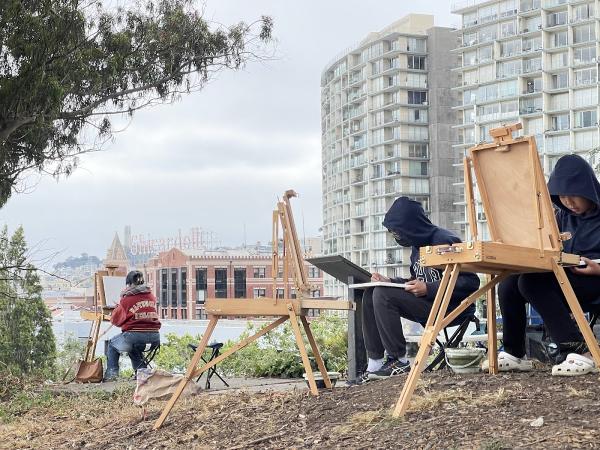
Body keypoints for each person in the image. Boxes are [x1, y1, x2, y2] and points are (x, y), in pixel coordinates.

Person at [497, 154, 600, 376]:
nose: (569, 203)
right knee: (508, 283)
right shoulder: (562, 216)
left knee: (532, 283)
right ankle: (515, 352)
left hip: (595, 278)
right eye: (562, 197)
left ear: (587, 189)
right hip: (566, 275)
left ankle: (580, 350)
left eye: (574, 196)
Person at [359, 197, 480, 382]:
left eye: (397, 232)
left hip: (451, 308)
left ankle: (399, 361)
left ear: (410, 226)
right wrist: (390, 280)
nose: (396, 236)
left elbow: (471, 281)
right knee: (373, 292)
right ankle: (374, 363)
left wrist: (429, 288)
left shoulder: (444, 240)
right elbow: (418, 280)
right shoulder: (417, 246)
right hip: (428, 304)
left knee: (383, 295)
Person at [104, 270, 161, 381]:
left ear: (129, 284)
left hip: (135, 336)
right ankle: (142, 375)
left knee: (112, 345)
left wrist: (118, 308)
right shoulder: (151, 297)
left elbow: (116, 321)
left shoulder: (127, 299)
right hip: (155, 337)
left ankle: (111, 376)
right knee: (133, 348)